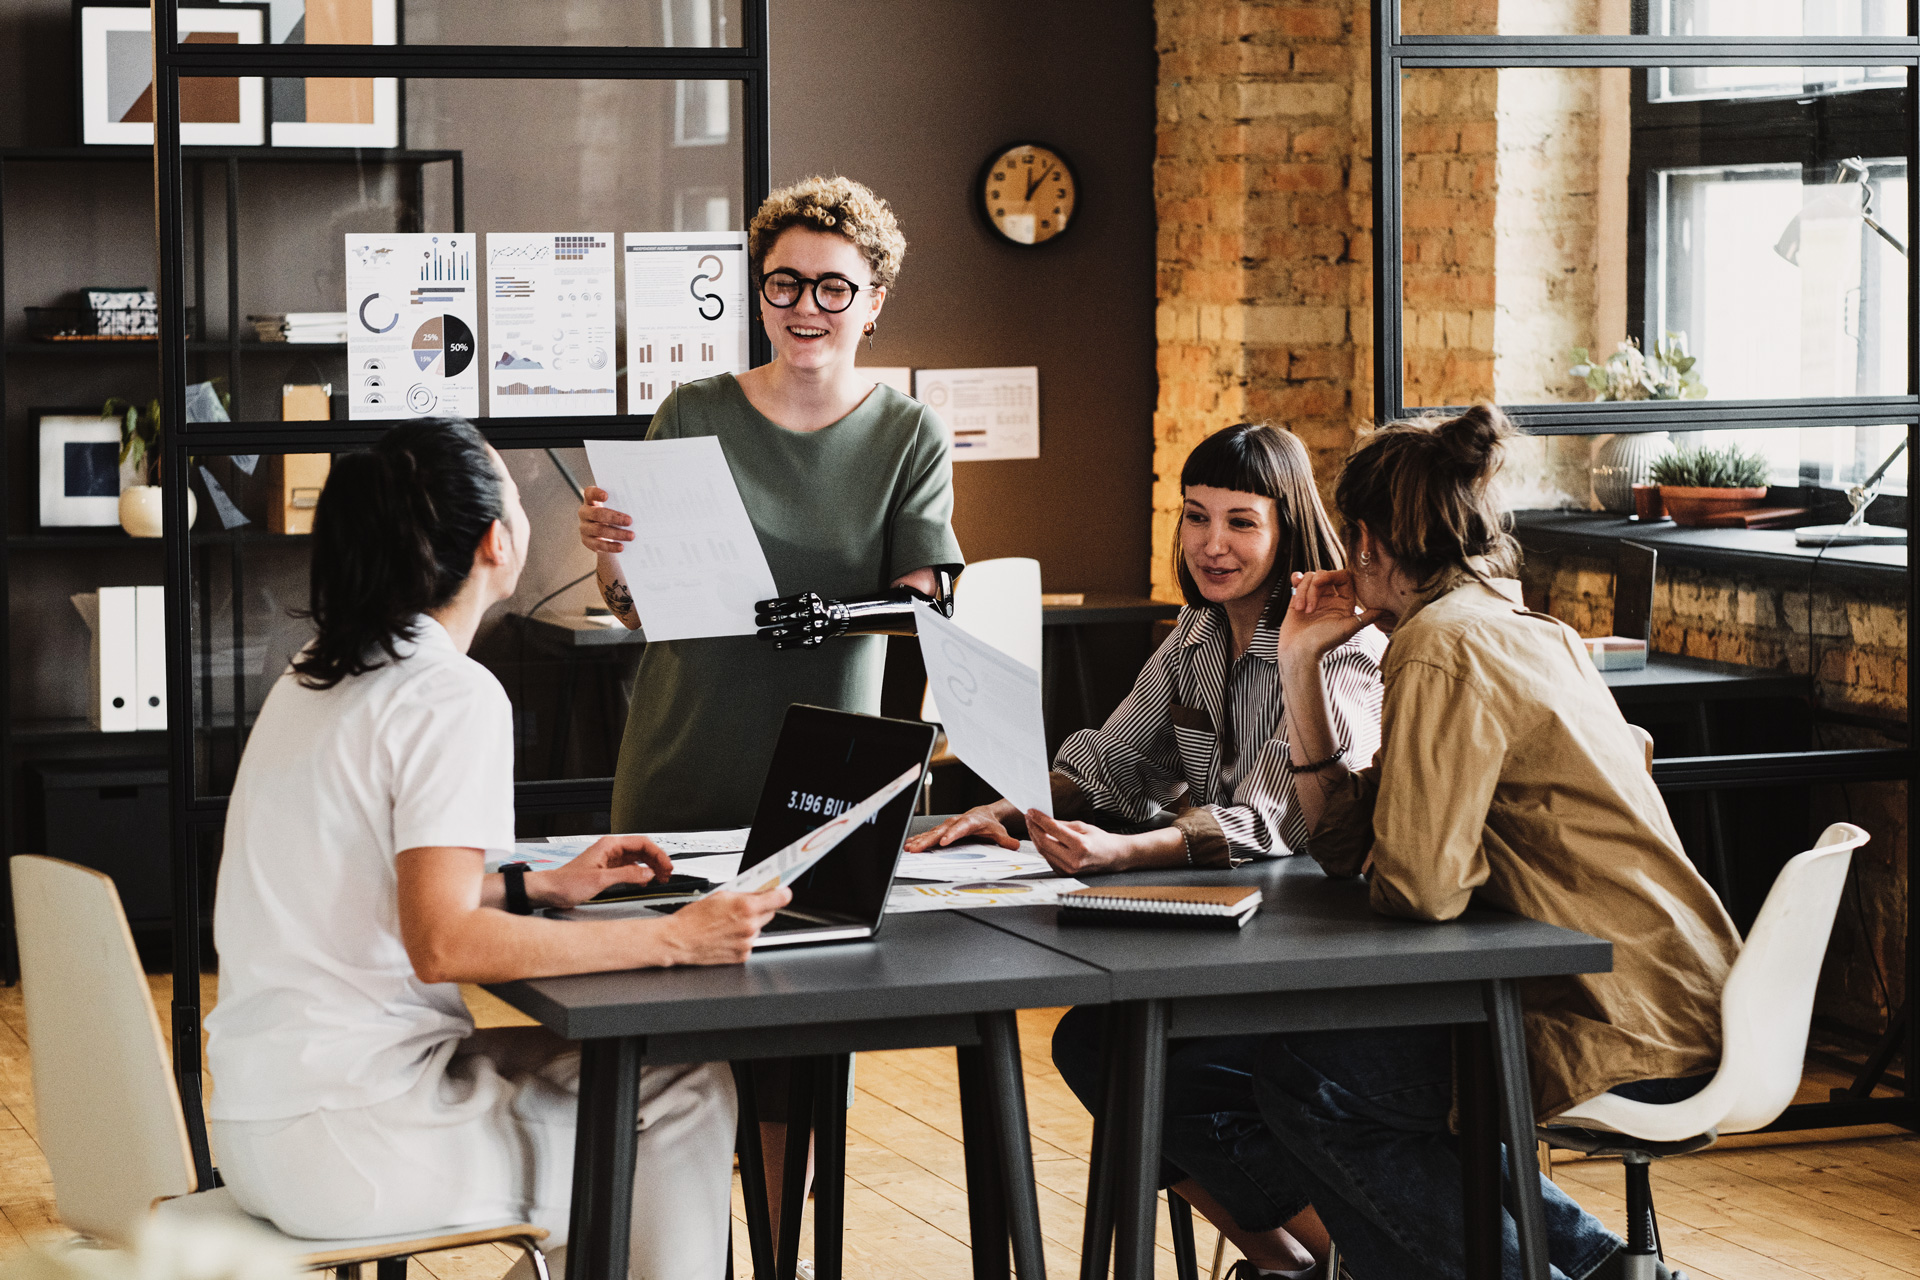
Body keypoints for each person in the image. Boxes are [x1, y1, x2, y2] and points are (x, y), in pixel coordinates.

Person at [206, 420, 789, 1280]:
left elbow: (363, 883)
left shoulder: (317, 674)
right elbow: (442, 945)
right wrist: (678, 937)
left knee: (656, 1086)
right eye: (515, 499)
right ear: (495, 539)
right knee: (685, 1094)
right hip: (356, 1137)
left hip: (264, 1118)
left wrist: (534, 886)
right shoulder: (449, 692)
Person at [1265, 404, 1743, 1280]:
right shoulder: (1525, 628)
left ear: (1367, 541)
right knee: (1372, 1084)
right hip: (1683, 995)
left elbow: (1420, 888)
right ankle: (1601, 1270)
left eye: (1346, 541)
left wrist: (1404, 846)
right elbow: (1344, 846)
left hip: (1609, 1017)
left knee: (1310, 1082)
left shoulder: (1440, 650)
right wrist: (1301, 666)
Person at [577, 174, 964, 1234]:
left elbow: (924, 600)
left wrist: (835, 611)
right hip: (683, 749)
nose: (805, 307)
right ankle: (672, 1244)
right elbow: (633, 601)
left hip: (821, 779)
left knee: (795, 1042)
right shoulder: (693, 411)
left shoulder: (908, 432)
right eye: (783, 283)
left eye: (832, 289)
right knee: (667, 1029)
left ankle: (780, 1247)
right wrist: (613, 561)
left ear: (874, 299)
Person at [911, 423, 1386, 1276]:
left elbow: (1289, 823)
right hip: (1242, 927)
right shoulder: (1196, 638)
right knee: (1101, 1047)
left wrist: (1129, 855)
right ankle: (1284, 1263)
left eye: (1241, 522)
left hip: (1331, 939)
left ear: (1288, 529)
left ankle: (1368, 1261)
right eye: (1195, 517)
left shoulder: (1332, 644)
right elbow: (1115, 759)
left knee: (1147, 1060)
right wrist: (1011, 810)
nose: (1212, 544)